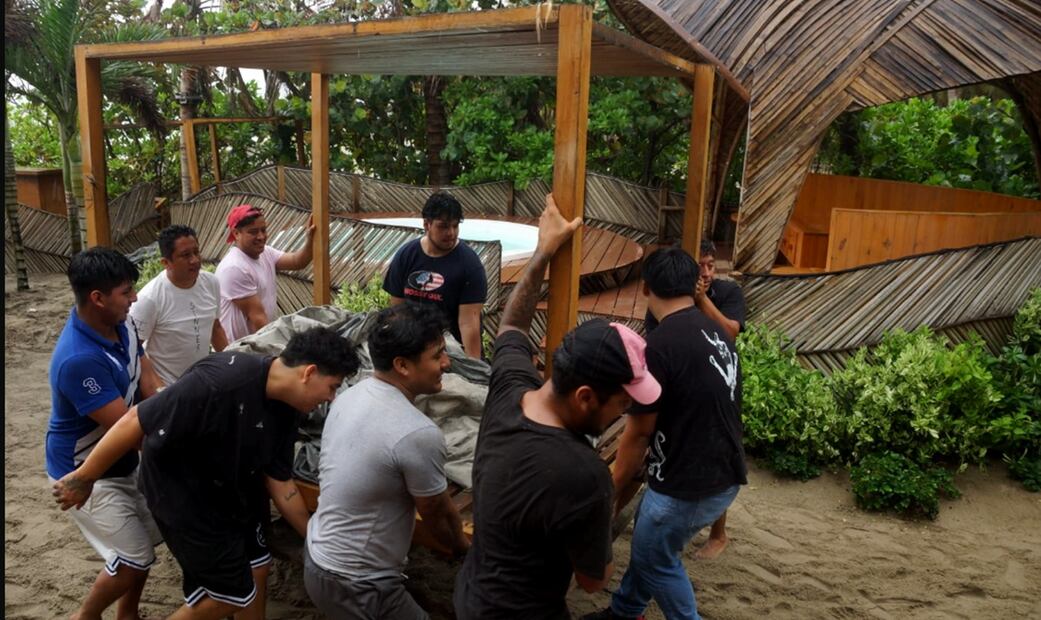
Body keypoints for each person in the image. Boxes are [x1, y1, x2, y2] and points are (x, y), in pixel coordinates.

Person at [54, 327, 360, 620]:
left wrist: (315, 540)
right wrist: (85, 477)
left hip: (234, 486)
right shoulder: (221, 381)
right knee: (227, 593)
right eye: (333, 387)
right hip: (183, 493)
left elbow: (281, 481)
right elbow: (136, 418)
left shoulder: (290, 407)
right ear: (308, 373)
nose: (332, 398)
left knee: (257, 567)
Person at [453, 195, 662, 619]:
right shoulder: (584, 475)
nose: (623, 413)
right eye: (621, 403)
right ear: (585, 396)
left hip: (472, 595)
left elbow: (512, 324)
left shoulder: (510, 392)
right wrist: (606, 502)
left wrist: (544, 250)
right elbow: (593, 580)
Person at [585, 247, 747, 620]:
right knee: (650, 539)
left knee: (654, 555)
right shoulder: (713, 329)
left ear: (645, 289)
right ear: (693, 286)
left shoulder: (660, 347)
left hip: (691, 483)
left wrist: (610, 492)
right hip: (723, 471)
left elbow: (638, 434)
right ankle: (625, 611)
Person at [305, 303, 470, 619]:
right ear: (403, 365)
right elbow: (437, 515)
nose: (447, 363)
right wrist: (465, 551)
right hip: (357, 583)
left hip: (317, 557)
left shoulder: (350, 395)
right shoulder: (417, 432)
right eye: (437, 355)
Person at [46, 247, 163, 620]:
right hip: (85, 470)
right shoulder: (79, 359)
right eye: (127, 291)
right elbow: (128, 428)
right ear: (97, 298)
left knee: (145, 542)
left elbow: (143, 364)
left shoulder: (121, 322)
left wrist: (161, 398)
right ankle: (87, 616)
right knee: (134, 554)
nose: (135, 298)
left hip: (122, 458)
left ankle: (126, 613)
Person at [644, 239, 746, 560]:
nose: (705, 272)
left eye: (710, 265)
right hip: (687, 372)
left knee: (714, 435)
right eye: (699, 265)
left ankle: (718, 533)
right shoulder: (666, 305)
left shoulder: (727, 293)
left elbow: (729, 332)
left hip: (720, 369)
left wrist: (700, 299)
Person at [383, 191, 488, 359]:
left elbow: (469, 323)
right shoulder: (406, 256)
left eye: (455, 226)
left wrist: (474, 369)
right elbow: (398, 311)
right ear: (427, 224)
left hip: (453, 355)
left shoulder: (469, 264)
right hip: (415, 351)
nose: (451, 233)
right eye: (444, 226)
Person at [129, 225, 229, 386]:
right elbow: (134, 352)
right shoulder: (149, 299)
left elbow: (215, 328)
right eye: (185, 255)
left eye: (196, 252)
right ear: (166, 262)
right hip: (168, 388)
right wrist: (160, 393)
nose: (195, 260)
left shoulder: (211, 283)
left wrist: (231, 364)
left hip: (202, 383)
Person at [216, 204, 315, 343]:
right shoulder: (234, 268)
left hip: (260, 341)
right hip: (242, 350)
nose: (261, 236)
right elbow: (258, 318)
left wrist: (311, 240)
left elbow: (297, 261)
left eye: (263, 230)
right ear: (236, 233)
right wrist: (277, 349)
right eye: (253, 232)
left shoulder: (265, 253)